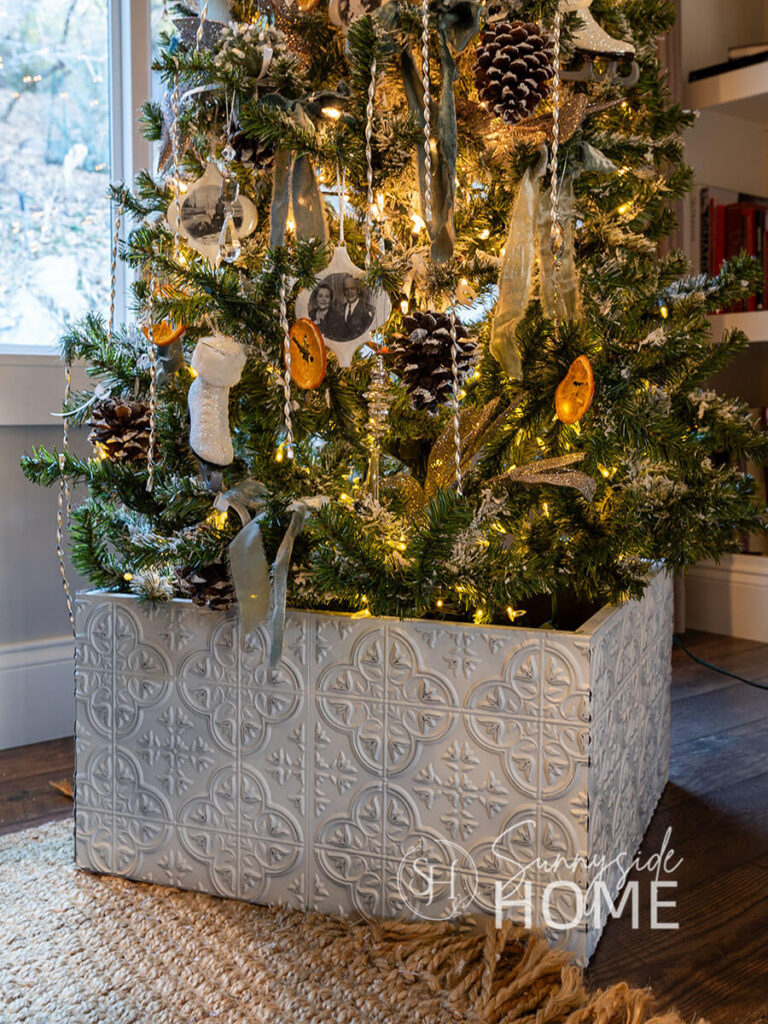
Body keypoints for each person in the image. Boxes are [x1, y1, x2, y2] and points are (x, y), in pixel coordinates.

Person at [334, 275, 374, 341]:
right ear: (343, 292)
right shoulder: (338, 310)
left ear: (358, 290)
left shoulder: (368, 309)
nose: (349, 292)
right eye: (346, 289)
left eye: (352, 288)